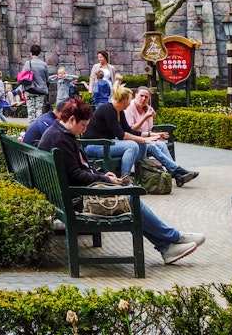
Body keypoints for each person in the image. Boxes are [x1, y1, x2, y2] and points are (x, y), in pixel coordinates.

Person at [38, 97, 205, 265]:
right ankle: (172, 240)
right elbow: (76, 175)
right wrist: (104, 179)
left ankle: (168, 244)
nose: (84, 130)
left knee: (128, 195)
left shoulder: (59, 133)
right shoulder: (61, 139)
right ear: (72, 119)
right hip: (76, 200)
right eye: (83, 126)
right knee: (130, 197)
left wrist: (103, 176)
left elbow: (77, 171)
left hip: (66, 195)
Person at [87, 83, 199, 186]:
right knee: (132, 145)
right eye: (129, 99)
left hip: (108, 143)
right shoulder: (108, 109)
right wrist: (144, 139)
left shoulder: (119, 112)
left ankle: (174, 172)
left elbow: (129, 130)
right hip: (95, 145)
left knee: (141, 144)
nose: (130, 102)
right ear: (124, 100)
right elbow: (121, 134)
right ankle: (124, 179)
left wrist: (149, 136)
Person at [124, 85, 200, 186]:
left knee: (162, 144)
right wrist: (145, 118)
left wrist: (155, 133)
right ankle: (178, 170)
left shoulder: (147, 109)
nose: (143, 99)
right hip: (133, 141)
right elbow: (131, 129)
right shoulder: (129, 108)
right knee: (151, 145)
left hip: (145, 139)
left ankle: (177, 175)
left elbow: (148, 128)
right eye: (141, 96)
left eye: (146, 97)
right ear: (135, 95)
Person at [19, 44, 50, 120]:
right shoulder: (44, 64)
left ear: (31, 53)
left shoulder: (28, 63)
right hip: (41, 90)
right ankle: (38, 129)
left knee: (31, 112)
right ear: (39, 53)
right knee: (39, 111)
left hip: (30, 89)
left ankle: (32, 129)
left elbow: (23, 76)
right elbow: (47, 78)